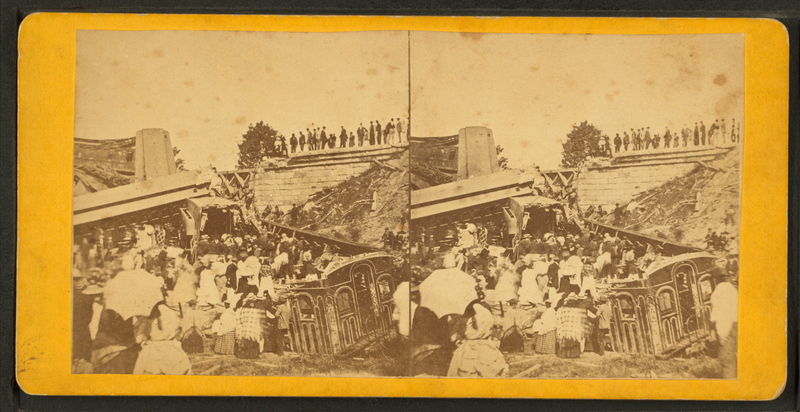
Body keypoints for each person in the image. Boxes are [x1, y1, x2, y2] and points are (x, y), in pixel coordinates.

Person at [447, 300, 508, 377]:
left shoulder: (469, 320)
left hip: (469, 348)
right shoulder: (489, 319)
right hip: (486, 347)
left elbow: (459, 336)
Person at [133, 303, 192, 375]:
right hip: (173, 350)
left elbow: (138, 339)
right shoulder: (172, 313)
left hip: (153, 352)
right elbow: (181, 335)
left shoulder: (149, 316)